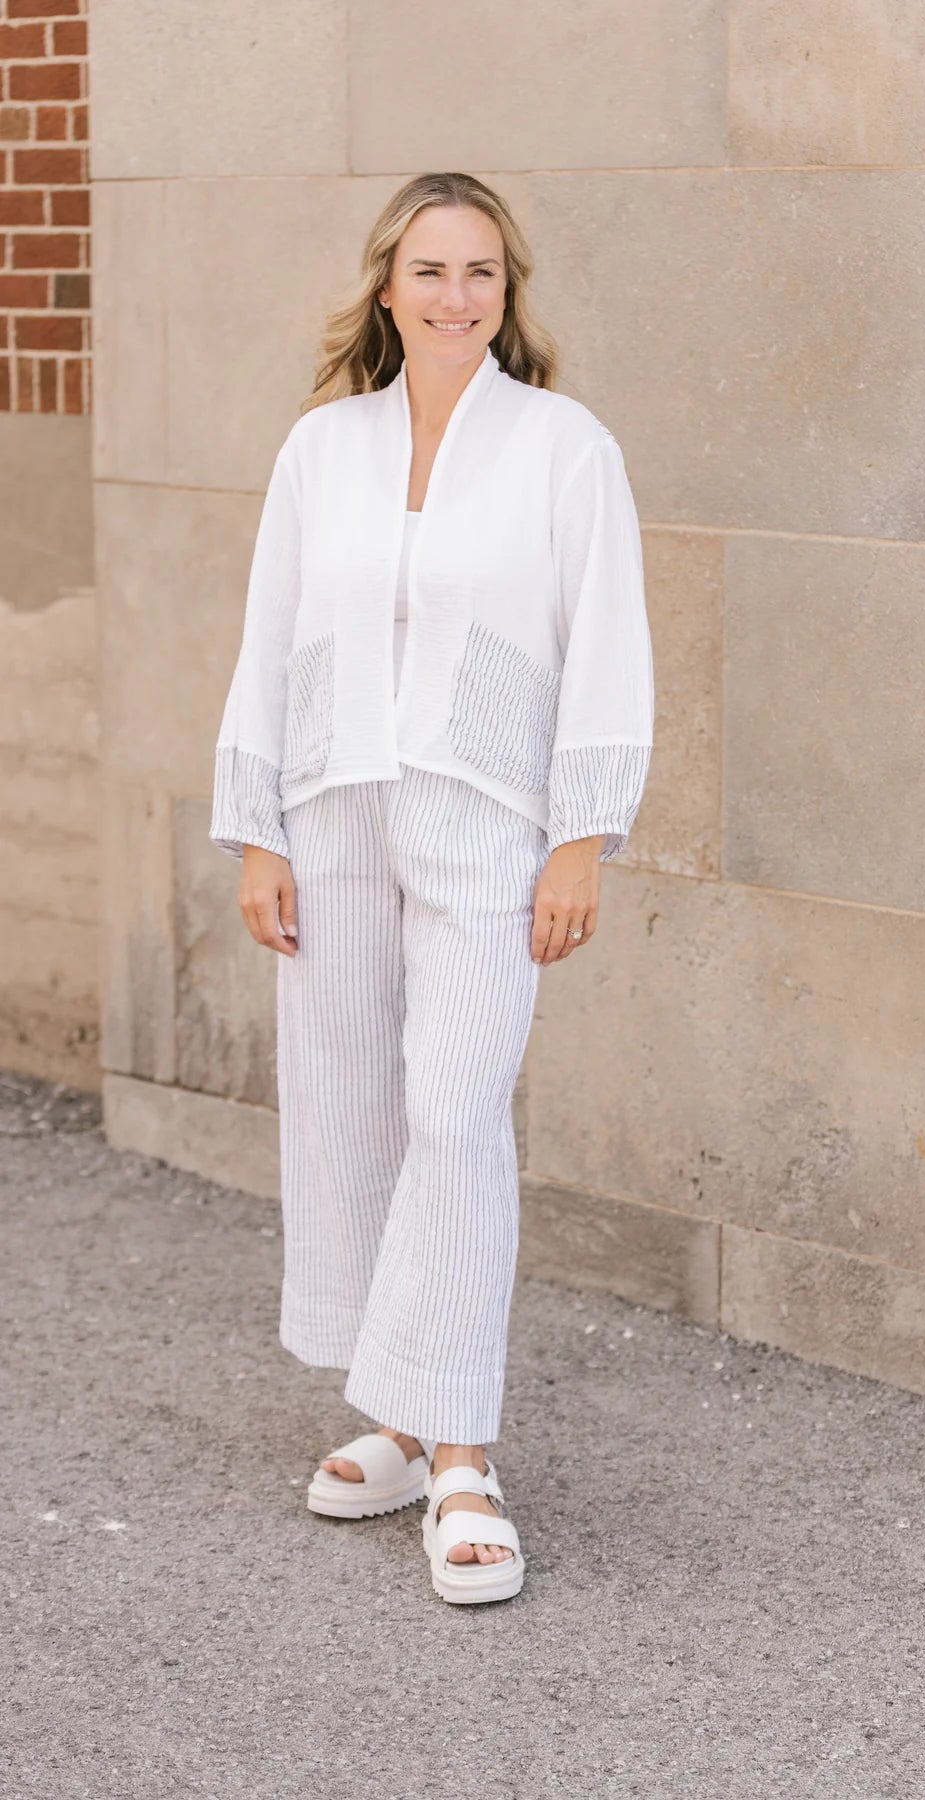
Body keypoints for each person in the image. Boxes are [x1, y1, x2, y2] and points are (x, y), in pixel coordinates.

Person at [207, 171, 655, 1605]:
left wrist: (581, 831)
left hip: (486, 822)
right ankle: (396, 1420)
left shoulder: (561, 447)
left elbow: (610, 641)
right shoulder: (321, 449)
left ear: (507, 291)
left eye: (480, 272)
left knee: (456, 1112)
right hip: (332, 811)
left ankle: (465, 1454)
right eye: (430, 270)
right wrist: (258, 828)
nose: (455, 295)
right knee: (350, 1103)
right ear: (387, 287)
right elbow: (271, 634)